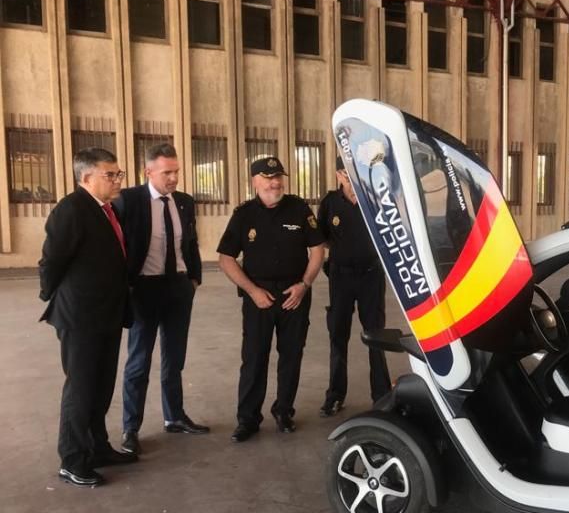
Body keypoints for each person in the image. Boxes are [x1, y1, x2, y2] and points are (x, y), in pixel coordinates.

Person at [39, 148, 137, 487]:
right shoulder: (72, 209)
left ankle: (97, 447)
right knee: (80, 389)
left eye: (118, 173)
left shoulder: (109, 209)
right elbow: (52, 262)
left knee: (101, 387)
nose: (117, 180)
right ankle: (72, 458)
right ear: (86, 178)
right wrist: (54, 296)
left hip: (107, 313)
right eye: (110, 175)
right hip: (80, 317)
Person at [217, 157, 325, 441]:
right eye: (267, 178)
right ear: (254, 181)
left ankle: (284, 411)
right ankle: (247, 419)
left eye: (278, 177)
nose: (274, 183)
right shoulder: (244, 215)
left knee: (291, 356)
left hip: (295, 295)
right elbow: (226, 258)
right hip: (258, 297)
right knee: (253, 357)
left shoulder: (300, 209)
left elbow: (317, 250)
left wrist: (304, 284)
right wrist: (252, 291)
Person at [114, 143, 209, 456]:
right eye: (166, 172)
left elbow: (190, 242)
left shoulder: (183, 202)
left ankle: (174, 416)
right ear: (148, 172)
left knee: (174, 357)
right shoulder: (128, 200)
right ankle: (131, 428)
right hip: (144, 289)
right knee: (139, 361)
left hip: (179, 288)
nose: (173, 178)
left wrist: (193, 277)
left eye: (176, 171)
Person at [317, 157, 392, 417]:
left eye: (357, 174)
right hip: (341, 278)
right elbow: (322, 238)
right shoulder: (329, 203)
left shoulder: (376, 200)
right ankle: (335, 395)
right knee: (338, 336)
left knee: (376, 336)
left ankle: (381, 395)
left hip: (371, 278)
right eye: (347, 175)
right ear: (339, 175)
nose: (352, 181)